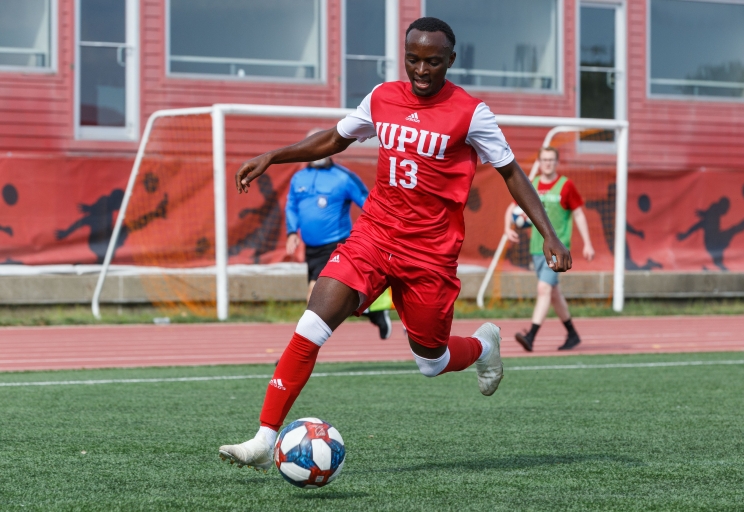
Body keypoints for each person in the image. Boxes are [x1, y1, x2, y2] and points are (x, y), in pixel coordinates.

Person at [218, 17, 572, 472]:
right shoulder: (382, 97)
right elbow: (333, 138)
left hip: (430, 253)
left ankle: (484, 347)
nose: (421, 70)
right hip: (374, 234)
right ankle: (265, 439)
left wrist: (549, 233)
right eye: (413, 59)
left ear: (451, 61)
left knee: (432, 361)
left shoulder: (471, 112)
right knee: (312, 324)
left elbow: (511, 173)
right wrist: (273, 156)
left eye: (432, 61)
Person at [285, 131, 392, 339]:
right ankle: (374, 312)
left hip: (336, 244)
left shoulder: (343, 177)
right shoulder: (299, 178)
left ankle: (302, 348)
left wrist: (381, 230)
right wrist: (291, 232)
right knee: (335, 300)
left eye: (321, 145)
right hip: (311, 249)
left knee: (314, 297)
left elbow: (368, 203)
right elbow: (291, 206)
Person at [506, 147, 594, 352]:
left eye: (551, 160)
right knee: (554, 294)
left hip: (558, 250)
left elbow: (579, 214)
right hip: (537, 249)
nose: (547, 163)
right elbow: (512, 209)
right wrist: (507, 229)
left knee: (544, 289)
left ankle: (530, 336)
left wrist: (588, 243)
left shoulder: (566, 185)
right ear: (539, 162)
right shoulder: (532, 184)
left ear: (556, 162)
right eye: (544, 159)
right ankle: (572, 334)